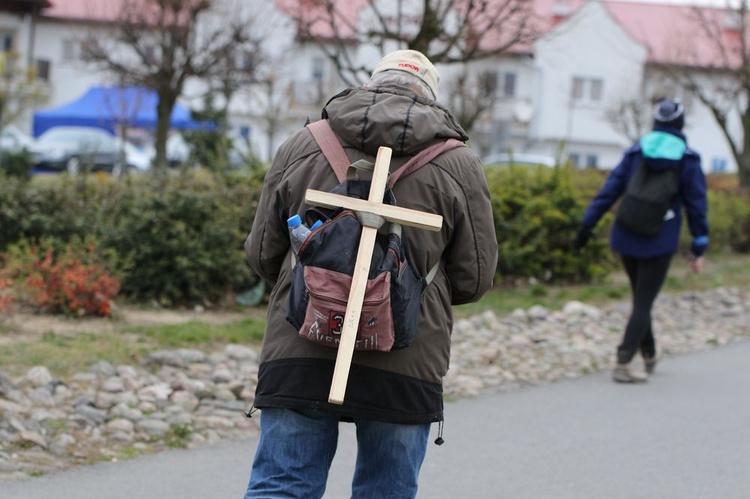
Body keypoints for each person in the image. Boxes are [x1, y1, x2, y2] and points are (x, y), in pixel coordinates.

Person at [242, 49, 498, 498]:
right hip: (405, 356)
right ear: (431, 97)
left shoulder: (303, 144)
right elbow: (474, 278)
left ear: (369, 83)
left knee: (282, 486)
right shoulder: (458, 163)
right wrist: (405, 287)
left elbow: (263, 254)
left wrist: (323, 282)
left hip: (301, 341)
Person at [573, 98, 709, 383]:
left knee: (640, 297)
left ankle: (649, 354)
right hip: (659, 240)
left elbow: (609, 191)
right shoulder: (688, 159)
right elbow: (697, 204)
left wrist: (587, 225)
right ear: (680, 124)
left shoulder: (636, 152)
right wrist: (699, 244)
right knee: (644, 302)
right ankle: (623, 362)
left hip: (625, 235)